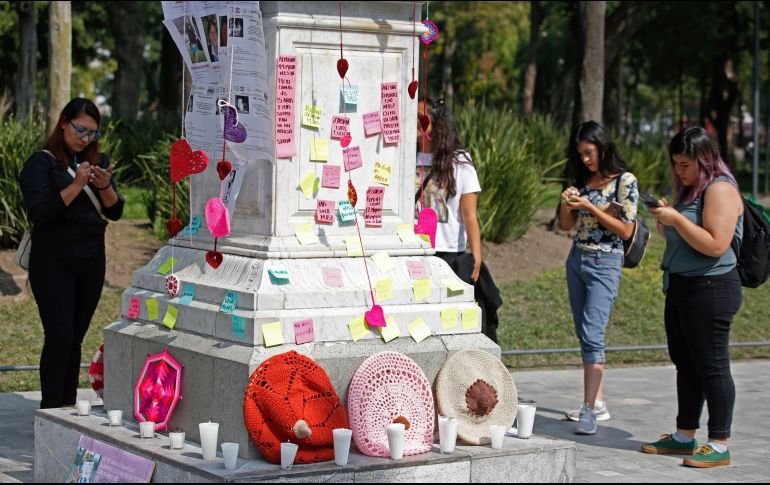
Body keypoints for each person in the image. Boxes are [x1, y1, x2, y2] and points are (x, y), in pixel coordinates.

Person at [641, 127, 742, 468]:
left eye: (685, 164)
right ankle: (685, 435)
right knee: (686, 362)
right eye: (675, 164)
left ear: (704, 159)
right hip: (682, 285)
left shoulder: (720, 189)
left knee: (711, 364)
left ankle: (719, 441)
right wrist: (666, 219)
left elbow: (715, 244)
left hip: (711, 287)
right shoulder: (687, 189)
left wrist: (676, 220)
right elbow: (683, 238)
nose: (679, 170)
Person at [19, 98, 124, 409]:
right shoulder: (41, 163)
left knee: (75, 337)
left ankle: (66, 406)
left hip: (91, 260)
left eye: (93, 133)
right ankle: (51, 407)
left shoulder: (97, 160)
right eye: (80, 129)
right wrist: (78, 183)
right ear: (63, 122)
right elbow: (41, 212)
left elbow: (115, 211)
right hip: (53, 261)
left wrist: (104, 185)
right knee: (59, 335)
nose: (86, 138)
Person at [558, 120, 639, 435]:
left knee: (593, 335)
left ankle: (589, 410)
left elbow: (625, 229)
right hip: (577, 259)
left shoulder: (624, 181)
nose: (586, 160)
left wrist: (590, 205)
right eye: (581, 155)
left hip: (606, 261)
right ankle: (598, 402)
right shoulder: (584, 179)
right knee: (584, 333)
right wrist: (569, 203)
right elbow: (566, 224)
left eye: (589, 153)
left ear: (603, 147)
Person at [416, 98, 502, 342]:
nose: (414, 121)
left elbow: (469, 214)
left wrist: (476, 255)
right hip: (413, 254)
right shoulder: (404, 157)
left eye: (421, 117)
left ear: (436, 122)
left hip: (449, 256)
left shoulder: (460, 162)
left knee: (449, 323)